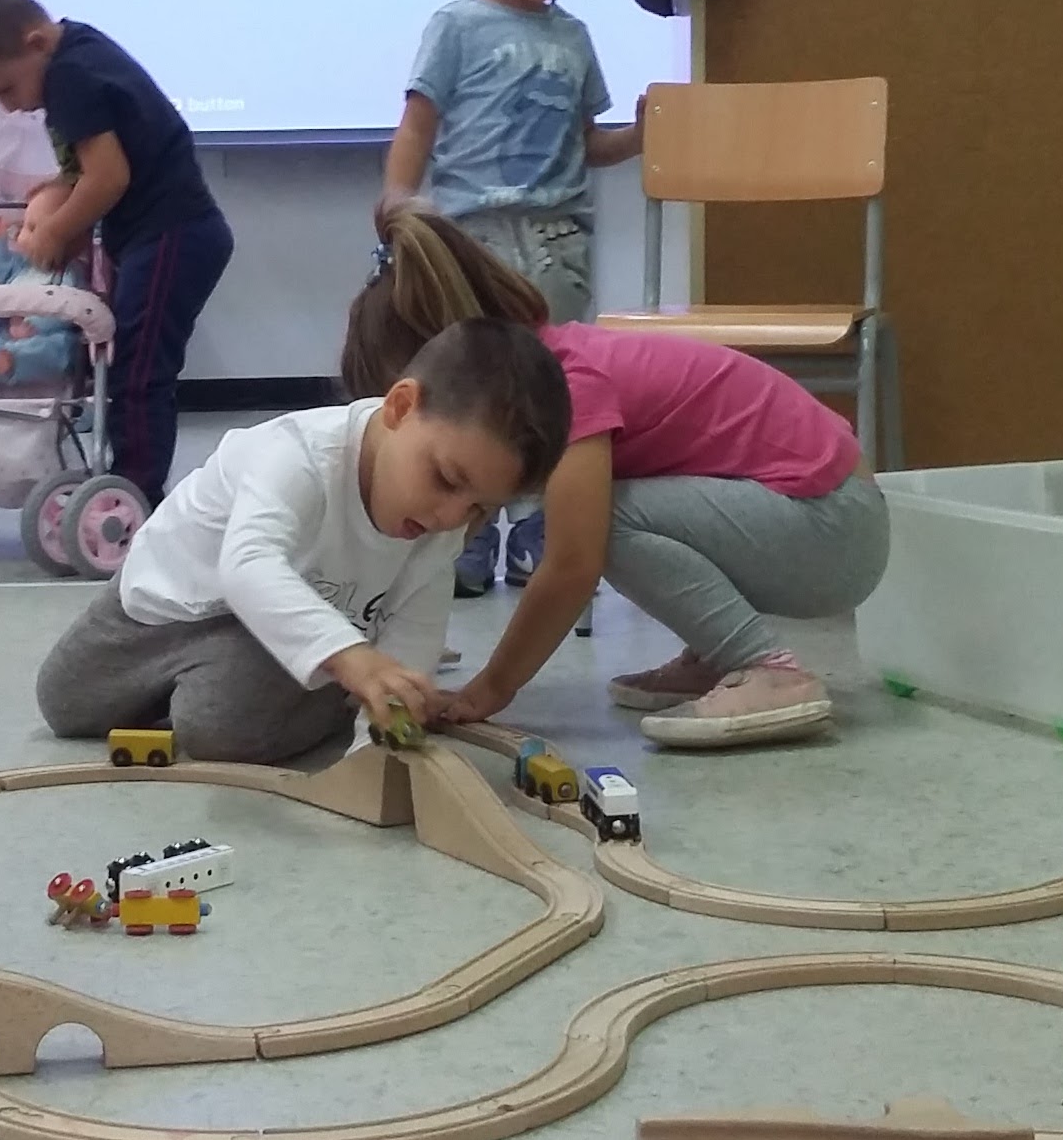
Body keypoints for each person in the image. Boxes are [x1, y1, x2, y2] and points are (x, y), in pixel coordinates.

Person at [342, 211, 888, 750]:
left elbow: (572, 564)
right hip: (814, 516)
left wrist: (492, 688)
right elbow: (448, 541)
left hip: (835, 526)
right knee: (607, 512)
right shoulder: (538, 377)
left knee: (603, 520)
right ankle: (717, 655)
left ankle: (767, 669)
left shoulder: (565, 388)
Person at [36, 317, 569, 766]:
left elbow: (415, 632)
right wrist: (353, 660)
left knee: (219, 731)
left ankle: (320, 691)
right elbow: (247, 566)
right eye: (447, 479)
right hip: (168, 600)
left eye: (479, 508)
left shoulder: (438, 529)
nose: (451, 516)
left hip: (266, 636)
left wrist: (376, 745)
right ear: (401, 407)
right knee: (64, 704)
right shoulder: (302, 453)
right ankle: (310, 679)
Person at [374, 0, 644, 597]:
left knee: (548, 386)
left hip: (558, 241)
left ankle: (536, 527)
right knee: (472, 383)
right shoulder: (456, 27)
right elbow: (418, 126)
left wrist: (640, 136)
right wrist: (399, 206)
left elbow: (587, 143)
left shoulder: (575, 38)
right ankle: (465, 528)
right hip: (473, 238)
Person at [0, 0, 231, 506]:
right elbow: (98, 164)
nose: (10, 109)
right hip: (161, 234)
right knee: (122, 359)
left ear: (35, 42)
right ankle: (124, 483)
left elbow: (108, 178)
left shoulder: (70, 77)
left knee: (138, 369)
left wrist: (55, 231)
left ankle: (133, 495)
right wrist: (59, 191)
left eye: (6, 90)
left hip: (172, 234)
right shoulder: (75, 52)